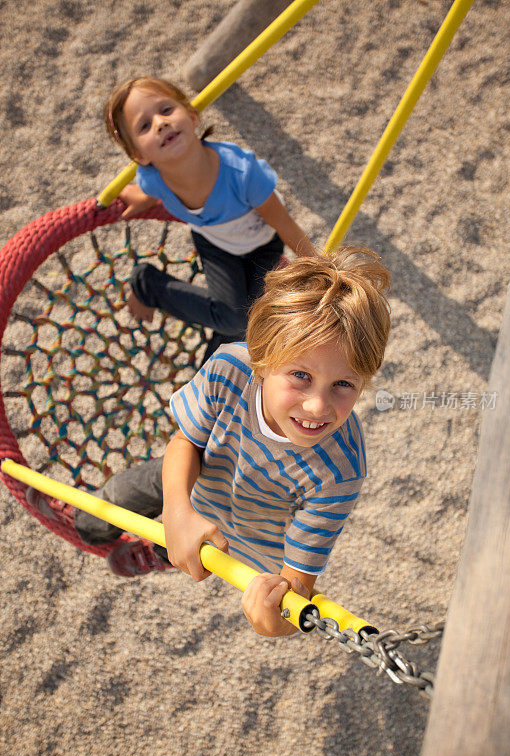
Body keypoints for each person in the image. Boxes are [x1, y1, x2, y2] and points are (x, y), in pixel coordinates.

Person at [74, 247, 391, 637]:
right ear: (261, 360)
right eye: (301, 376)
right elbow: (185, 442)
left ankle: (159, 551)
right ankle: (97, 529)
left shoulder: (340, 468)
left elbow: (297, 592)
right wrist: (177, 511)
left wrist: (272, 623)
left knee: (188, 551)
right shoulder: (230, 368)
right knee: (101, 509)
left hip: (245, 534)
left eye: (344, 384)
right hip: (196, 472)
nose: (317, 405)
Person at [105, 76, 316, 361]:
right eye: (144, 125)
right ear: (139, 155)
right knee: (236, 322)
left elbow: (285, 225)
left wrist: (319, 268)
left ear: (192, 117)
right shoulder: (153, 180)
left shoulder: (243, 174)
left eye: (166, 110)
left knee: (247, 325)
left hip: (263, 246)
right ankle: (148, 283)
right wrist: (142, 200)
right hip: (214, 243)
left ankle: (209, 378)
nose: (160, 123)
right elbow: (151, 191)